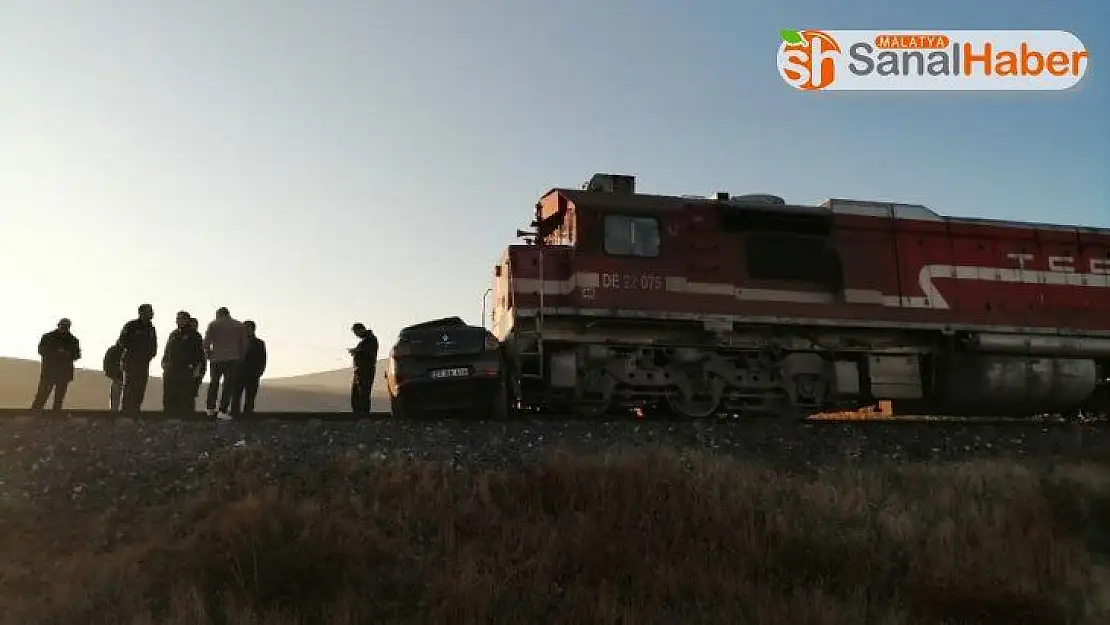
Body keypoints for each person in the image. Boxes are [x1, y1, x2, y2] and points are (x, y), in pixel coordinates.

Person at [203, 306, 248, 420]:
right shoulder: (239, 325)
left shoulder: (213, 324)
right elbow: (244, 344)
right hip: (233, 359)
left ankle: (210, 408)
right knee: (228, 385)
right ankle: (222, 410)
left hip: (216, 359)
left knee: (214, 383)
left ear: (218, 314)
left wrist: (208, 354)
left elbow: (206, 342)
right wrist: (240, 357)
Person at [30, 318, 81, 412]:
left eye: (66, 326)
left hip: (61, 373)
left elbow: (77, 355)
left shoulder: (73, 340)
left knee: (57, 398)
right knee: (42, 396)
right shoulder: (48, 337)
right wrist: (56, 353)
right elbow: (41, 350)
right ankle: (35, 414)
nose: (64, 328)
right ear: (59, 325)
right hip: (50, 372)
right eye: (63, 326)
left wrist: (67, 354)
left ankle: (51, 416)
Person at [117, 304, 158, 414]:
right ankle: (125, 411)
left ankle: (135, 410)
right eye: (149, 311)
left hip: (143, 362)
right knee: (129, 386)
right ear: (141, 312)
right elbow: (122, 341)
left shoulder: (151, 328)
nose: (152, 313)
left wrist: (150, 355)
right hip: (131, 360)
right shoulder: (131, 325)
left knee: (140, 386)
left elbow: (154, 345)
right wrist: (135, 349)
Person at [161, 311, 205, 414]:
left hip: (185, 369)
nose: (177, 320)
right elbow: (167, 349)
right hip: (171, 368)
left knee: (185, 395)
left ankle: (186, 417)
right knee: (169, 393)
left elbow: (199, 353)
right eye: (177, 318)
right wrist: (164, 362)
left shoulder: (194, 335)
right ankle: (169, 414)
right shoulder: (174, 334)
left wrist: (194, 367)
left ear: (186, 320)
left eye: (180, 318)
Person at [233, 319, 267, 416]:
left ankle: (247, 417)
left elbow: (262, 359)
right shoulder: (237, 342)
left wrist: (259, 372)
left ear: (252, 329)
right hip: (238, 374)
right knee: (236, 397)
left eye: (247, 328)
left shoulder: (259, 343)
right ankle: (235, 416)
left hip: (252, 374)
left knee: (250, 398)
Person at [348, 322, 378, 415]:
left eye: (356, 333)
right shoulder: (365, 341)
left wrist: (356, 351)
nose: (356, 335)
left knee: (363, 394)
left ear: (361, 330)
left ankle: (364, 415)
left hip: (366, 371)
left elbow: (368, 353)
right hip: (359, 371)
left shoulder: (370, 340)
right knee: (356, 395)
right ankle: (358, 415)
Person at [188, 317, 206, 406]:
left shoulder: (197, 337)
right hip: (193, 368)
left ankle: (188, 412)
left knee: (190, 392)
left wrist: (201, 371)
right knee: (190, 392)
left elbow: (201, 356)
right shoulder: (197, 337)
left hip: (195, 368)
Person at [102, 342, 124, 411]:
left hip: (120, 379)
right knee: (115, 402)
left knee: (115, 403)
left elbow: (106, 364)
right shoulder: (115, 351)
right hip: (119, 379)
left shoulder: (113, 350)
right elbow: (106, 365)